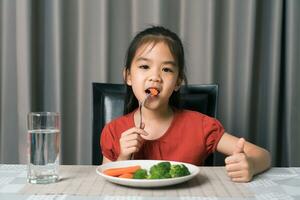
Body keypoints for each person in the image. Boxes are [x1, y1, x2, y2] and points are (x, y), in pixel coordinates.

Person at [100, 26, 271, 182]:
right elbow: (105, 183)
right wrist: (123, 157)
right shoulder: (113, 131)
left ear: (177, 82)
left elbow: (263, 155)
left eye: (166, 69)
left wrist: (250, 165)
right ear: (128, 76)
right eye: (145, 66)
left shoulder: (201, 126)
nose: (155, 77)